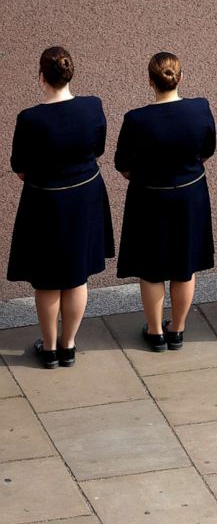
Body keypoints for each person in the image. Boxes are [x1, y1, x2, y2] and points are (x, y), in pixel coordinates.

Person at [7, 47, 115, 368]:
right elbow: (98, 148)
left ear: (41, 76)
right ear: (71, 73)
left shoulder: (30, 119)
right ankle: (68, 345)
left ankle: (50, 348)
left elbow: (21, 167)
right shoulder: (92, 106)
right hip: (84, 197)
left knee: (47, 278)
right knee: (76, 275)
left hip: (45, 203)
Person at [116, 53, 216, 351]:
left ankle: (156, 331)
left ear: (150, 81)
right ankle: (178, 328)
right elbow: (207, 149)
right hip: (189, 196)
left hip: (149, 199)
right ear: (180, 77)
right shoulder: (200, 109)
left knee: (151, 268)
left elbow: (123, 164)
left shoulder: (136, 119)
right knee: (184, 266)